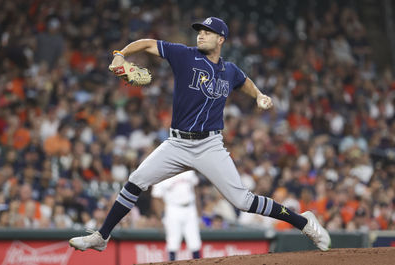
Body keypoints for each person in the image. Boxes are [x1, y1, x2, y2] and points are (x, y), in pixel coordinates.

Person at [69, 17, 331, 252]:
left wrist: (260, 95)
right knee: (136, 180)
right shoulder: (184, 55)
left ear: (221, 39)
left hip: (209, 145)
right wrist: (120, 54)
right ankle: (102, 236)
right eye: (199, 31)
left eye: (207, 31)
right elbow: (148, 43)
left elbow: (244, 81)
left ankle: (304, 221)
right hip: (177, 143)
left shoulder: (229, 70)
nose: (201, 34)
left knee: (242, 201)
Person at [151, 170, 202, 261]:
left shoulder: (187, 170)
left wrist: (199, 210)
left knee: (195, 242)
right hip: (173, 209)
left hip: (190, 207)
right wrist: (161, 216)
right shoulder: (161, 173)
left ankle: (198, 262)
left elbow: (195, 189)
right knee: (173, 243)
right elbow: (156, 198)